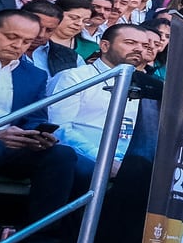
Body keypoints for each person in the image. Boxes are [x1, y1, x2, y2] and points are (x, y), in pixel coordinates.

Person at [0, 8, 80, 243]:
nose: (18, 45)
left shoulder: (34, 75)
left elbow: (36, 117)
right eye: (11, 36)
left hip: (13, 147)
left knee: (61, 155)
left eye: (25, 41)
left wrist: (37, 136)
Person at [47, 23, 152, 169]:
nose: (139, 49)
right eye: (130, 43)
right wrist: (103, 160)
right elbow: (59, 129)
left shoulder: (146, 87)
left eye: (145, 46)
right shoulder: (75, 78)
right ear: (104, 46)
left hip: (128, 162)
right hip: (82, 158)